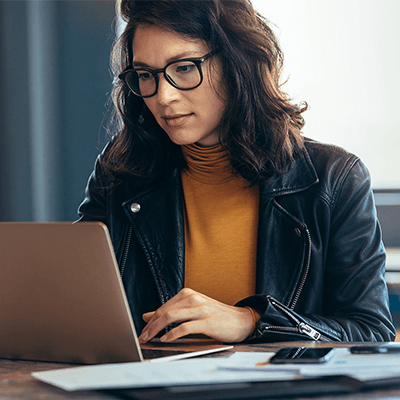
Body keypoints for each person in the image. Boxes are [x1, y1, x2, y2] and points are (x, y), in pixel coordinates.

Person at [78, 0, 395, 344]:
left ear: (236, 62)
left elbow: (370, 333)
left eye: (183, 68)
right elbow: (75, 307)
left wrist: (251, 321)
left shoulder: (335, 178)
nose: (163, 96)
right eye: (145, 75)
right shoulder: (121, 173)